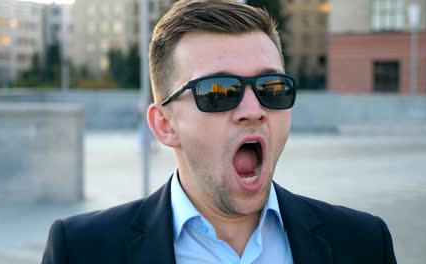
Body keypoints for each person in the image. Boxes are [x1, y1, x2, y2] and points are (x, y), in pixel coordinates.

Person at [42, 0, 397, 263]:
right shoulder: (81, 250)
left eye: (271, 87)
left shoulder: (364, 244)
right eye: (219, 92)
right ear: (165, 125)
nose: (253, 110)